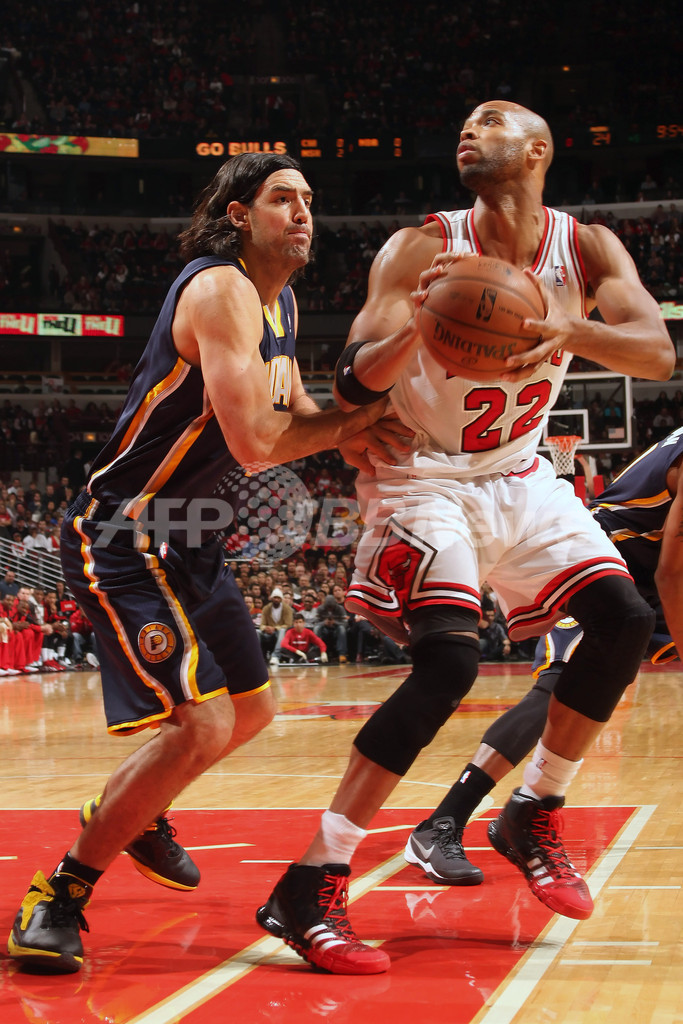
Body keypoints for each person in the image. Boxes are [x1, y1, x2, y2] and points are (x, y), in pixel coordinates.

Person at [255, 100, 674, 975]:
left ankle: (531, 810)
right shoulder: (421, 247)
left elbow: (655, 353)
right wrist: (418, 322)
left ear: (537, 150)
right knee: (448, 663)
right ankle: (312, 880)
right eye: (465, 123)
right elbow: (350, 380)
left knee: (625, 620)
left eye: (491, 120)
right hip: (421, 471)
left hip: (520, 471)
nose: (469, 130)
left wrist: (571, 328)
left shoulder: (587, 249)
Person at [8, 151, 400, 975]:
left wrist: (367, 427)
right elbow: (257, 443)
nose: (303, 212)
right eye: (282, 198)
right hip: (122, 534)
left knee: (252, 711)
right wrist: (361, 424)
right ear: (238, 215)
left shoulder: (279, 300)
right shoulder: (219, 289)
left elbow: (298, 408)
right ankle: (58, 895)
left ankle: (135, 807)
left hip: (189, 536)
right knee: (205, 723)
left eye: (308, 199)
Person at [404, 425, 683, 890]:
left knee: (588, 695)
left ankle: (523, 811)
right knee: (554, 692)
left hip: (641, 575)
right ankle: (441, 825)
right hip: (600, 560)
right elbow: (672, 573)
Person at [259, 587, 294, 665]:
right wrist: (265, 628)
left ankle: (275, 656)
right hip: (267, 632)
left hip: (279, 632)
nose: (276, 600)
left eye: (278, 598)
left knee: (282, 631)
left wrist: (275, 628)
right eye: (275, 598)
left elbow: (288, 624)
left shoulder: (287, 608)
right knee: (256, 632)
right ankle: (257, 655)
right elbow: (262, 624)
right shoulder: (266, 608)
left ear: (281, 599)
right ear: (272, 598)